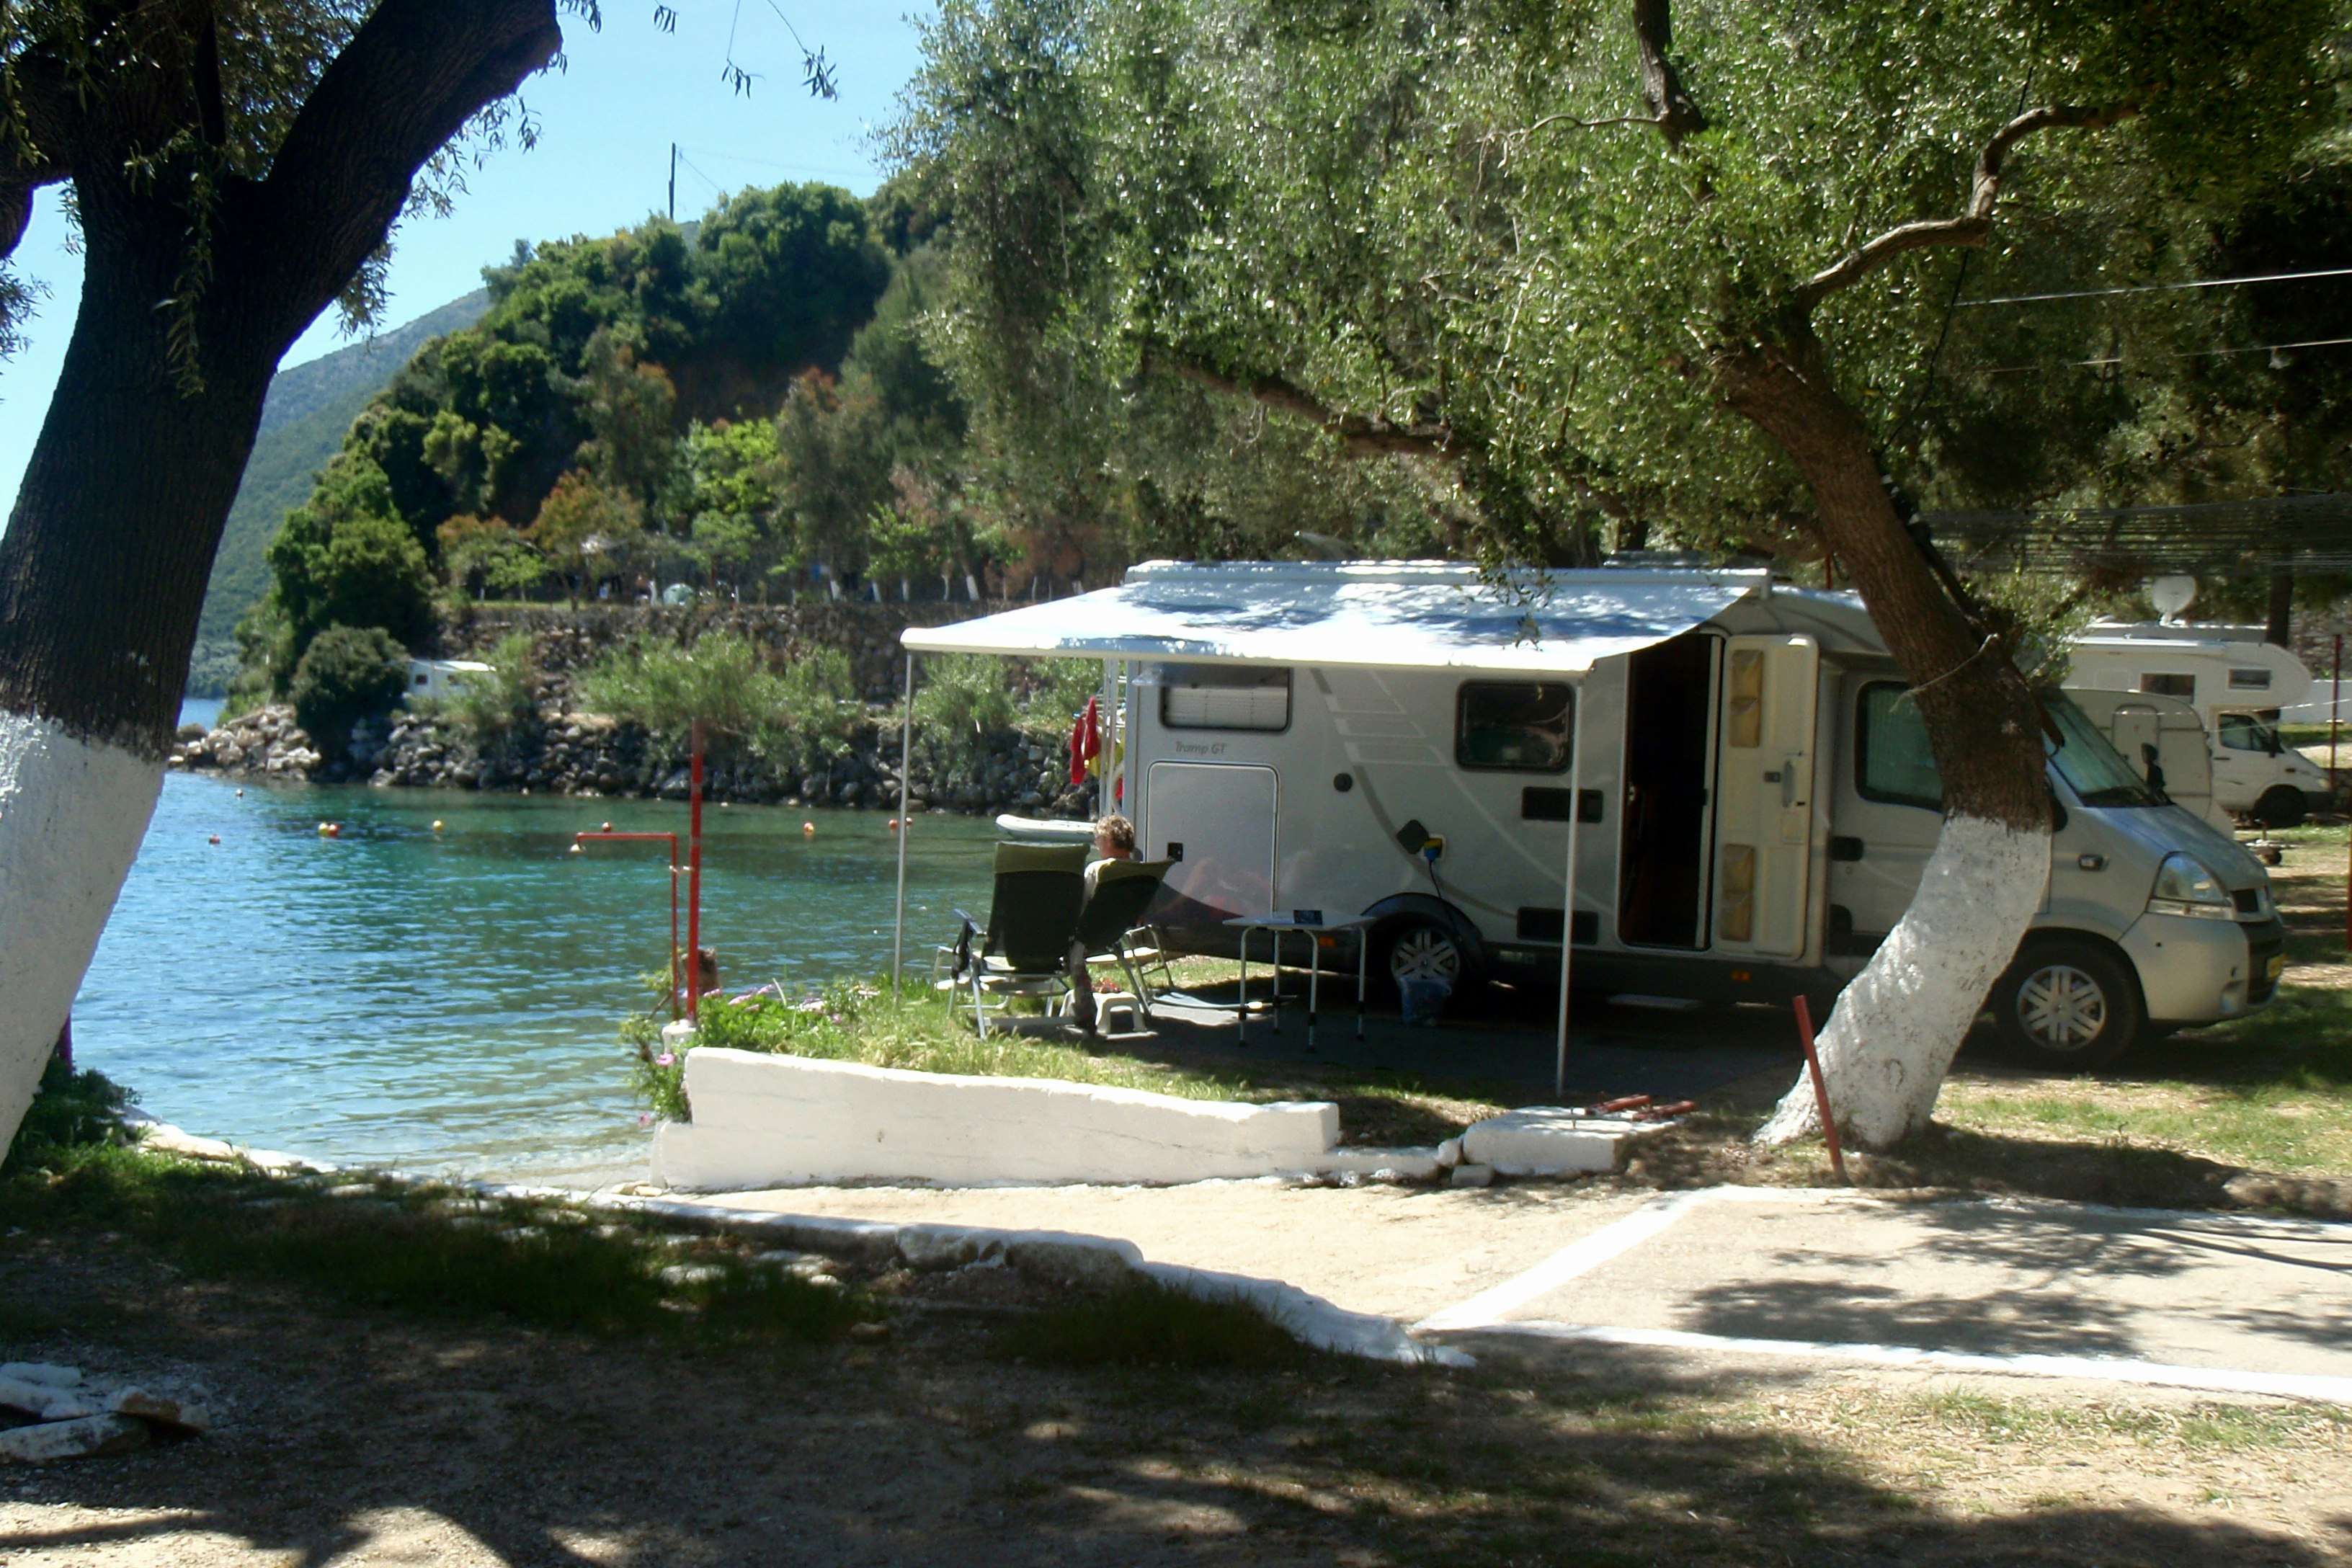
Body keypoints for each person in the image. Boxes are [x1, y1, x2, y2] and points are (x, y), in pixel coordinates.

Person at [1069, 814, 1135, 1036]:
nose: (1096, 844)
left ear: (1108, 839)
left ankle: (1085, 1009)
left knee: (1073, 950)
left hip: (1088, 937)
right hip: (1116, 935)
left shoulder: (1098, 870)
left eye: (1098, 839)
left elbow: (1080, 908)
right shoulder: (1140, 871)